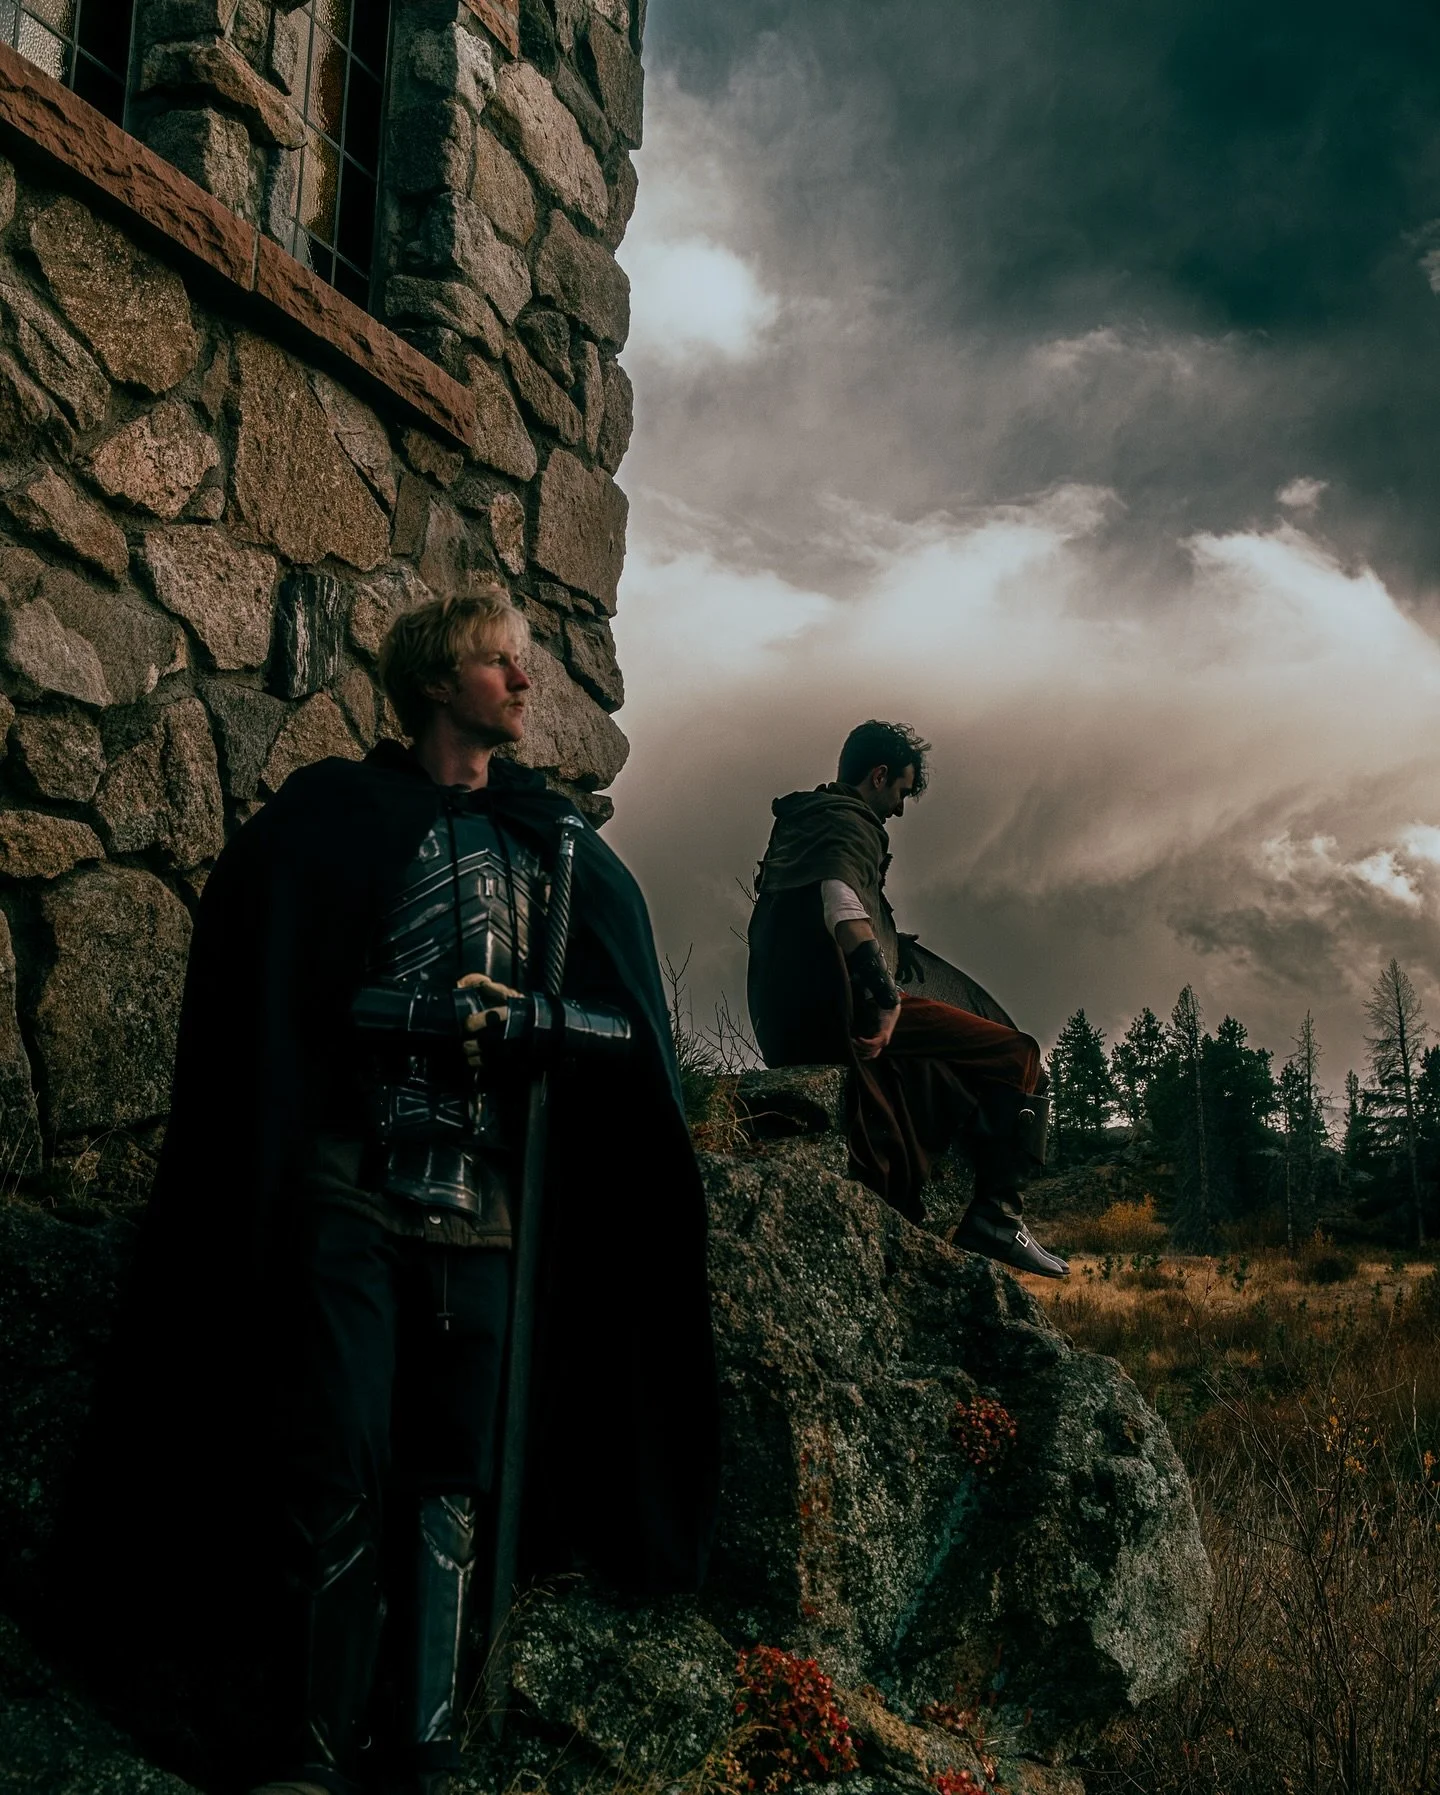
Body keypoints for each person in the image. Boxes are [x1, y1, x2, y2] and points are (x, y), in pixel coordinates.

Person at [85, 586, 720, 1795]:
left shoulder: (556, 844)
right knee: (333, 1457)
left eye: (524, 662)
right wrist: (406, 1015)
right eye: (500, 662)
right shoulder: (332, 818)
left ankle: (425, 1745)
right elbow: (274, 983)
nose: (524, 681)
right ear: (437, 682)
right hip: (353, 1188)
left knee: (451, 1480)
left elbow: (624, 1029)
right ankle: (308, 1746)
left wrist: (539, 1021)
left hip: (485, 1210)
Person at [747, 719, 1068, 1279]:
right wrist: (886, 996)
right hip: (842, 1011)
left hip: (787, 1025)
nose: (898, 808)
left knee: (943, 1073)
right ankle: (998, 1216)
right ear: (878, 776)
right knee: (1019, 1054)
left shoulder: (802, 822)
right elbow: (840, 900)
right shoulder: (847, 821)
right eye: (899, 790)